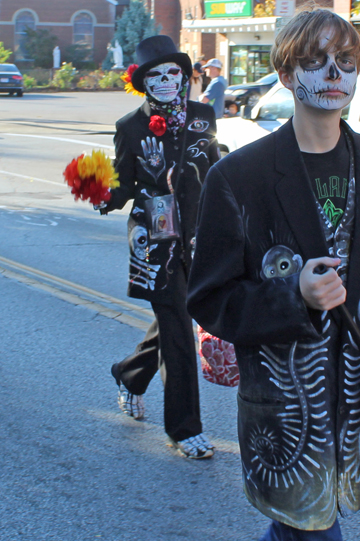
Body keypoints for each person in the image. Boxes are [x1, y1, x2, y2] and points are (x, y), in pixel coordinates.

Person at [187, 8, 360, 539]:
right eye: (316, 61)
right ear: (287, 75)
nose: (334, 73)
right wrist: (293, 296)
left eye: (345, 60)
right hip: (285, 415)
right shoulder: (237, 177)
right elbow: (208, 298)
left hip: (354, 413)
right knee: (309, 528)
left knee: (308, 527)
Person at [98, 35, 219, 459]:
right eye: (156, 74)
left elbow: (216, 170)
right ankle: (184, 429)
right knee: (178, 333)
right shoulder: (130, 127)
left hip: (198, 236)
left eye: (174, 72)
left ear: (185, 76)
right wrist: (104, 196)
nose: (167, 80)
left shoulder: (204, 116)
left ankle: (129, 375)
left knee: (176, 321)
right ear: (142, 80)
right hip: (155, 240)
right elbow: (124, 184)